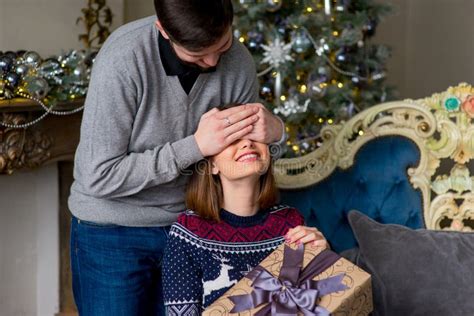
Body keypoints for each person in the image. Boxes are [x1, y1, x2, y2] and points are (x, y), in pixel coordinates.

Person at [68, 1, 287, 315]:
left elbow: (241, 159)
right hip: (111, 231)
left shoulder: (237, 61)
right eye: (198, 54)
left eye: (222, 44)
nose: (213, 61)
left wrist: (277, 131)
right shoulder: (122, 59)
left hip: (191, 227)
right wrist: (195, 146)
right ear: (163, 30)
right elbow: (99, 175)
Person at [163, 138, 329, 315]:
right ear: (212, 165)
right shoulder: (189, 232)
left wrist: (324, 259)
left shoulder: (290, 221)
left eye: (256, 137)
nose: (248, 143)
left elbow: (322, 302)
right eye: (233, 139)